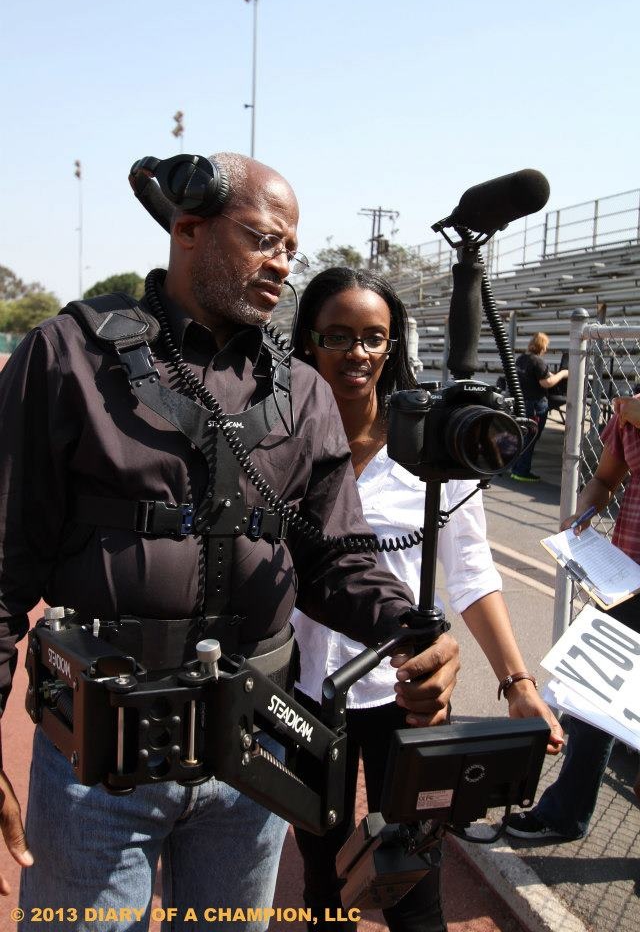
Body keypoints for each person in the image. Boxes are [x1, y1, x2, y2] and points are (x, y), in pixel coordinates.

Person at [0, 154, 460, 930]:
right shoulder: (67, 357)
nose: (284, 263)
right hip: (98, 762)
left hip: (255, 757)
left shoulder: (304, 391)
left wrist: (404, 629)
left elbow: (335, 557)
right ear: (188, 228)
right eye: (264, 239)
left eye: (292, 247)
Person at [289, 267, 564, 932]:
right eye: (338, 335)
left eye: (373, 337)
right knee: (321, 865)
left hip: (409, 692)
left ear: (393, 348)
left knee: (414, 877)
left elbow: (472, 570)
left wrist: (518, 682)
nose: (356, 351)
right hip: (301, 690)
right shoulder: (279, 442)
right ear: (308, 343)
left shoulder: (435, 452)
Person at [506, 392, 640, 841]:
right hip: (626, 581)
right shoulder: (629, 413)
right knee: (592, 702)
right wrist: (586, 510)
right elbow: (604, 479)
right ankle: (565, 813)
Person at [510, 332, 568, 483]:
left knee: (521, 435)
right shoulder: (538, 362)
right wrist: (562, 374)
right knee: (531, 437)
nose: (547, 349)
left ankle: (515, 468)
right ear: (542, 346)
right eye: (546, 346)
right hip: (535, 404)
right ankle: (522, 471)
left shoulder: (522, 359)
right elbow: (546, 383)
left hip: (521, 401)